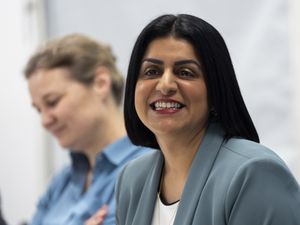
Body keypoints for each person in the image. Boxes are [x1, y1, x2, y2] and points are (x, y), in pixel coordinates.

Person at [115, 14, 300, 225]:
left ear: (215, 91)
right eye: (152, 71)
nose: (165, 85)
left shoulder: (254, 173)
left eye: (185, 72)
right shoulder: (131, 179)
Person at [24, 33, 149, 225]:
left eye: (52, 102)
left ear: (101, 83)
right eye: (39, 109)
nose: (44, 121)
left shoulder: (149, 168)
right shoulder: (62, 181)